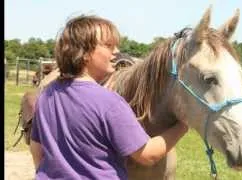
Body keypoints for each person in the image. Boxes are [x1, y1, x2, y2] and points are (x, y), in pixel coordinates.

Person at [30, 14, 189, 180]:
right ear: (83, 53)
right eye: (108, 45)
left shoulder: (46, 95)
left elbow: (36, 149)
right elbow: (147, 154)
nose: (117, 52)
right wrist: (183, 125)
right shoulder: (109, 102)